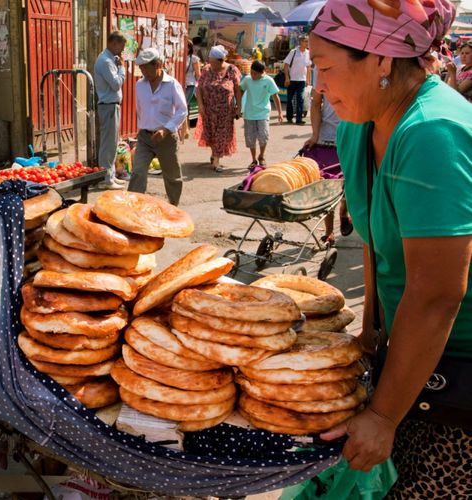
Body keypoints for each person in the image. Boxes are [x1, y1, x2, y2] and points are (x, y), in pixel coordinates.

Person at [310, 0, 472, 496]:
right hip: (407, 359)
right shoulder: (361, 127)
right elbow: (378, 247)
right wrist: (371, 336)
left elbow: (437, 293)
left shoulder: (431, 132)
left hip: (457, 374)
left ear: (381, 60)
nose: (318, 86)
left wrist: (383, 414)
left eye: (326, 68)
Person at [128, 48, 187, 206]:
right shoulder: (140, 85)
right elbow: (140, 109)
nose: (143, 72)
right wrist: (145, 127)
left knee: (172, 176)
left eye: (146, 68)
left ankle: (174, 207)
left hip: (166, 137)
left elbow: (182, 110)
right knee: (138, 173)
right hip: (145, 137)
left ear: (158, 65)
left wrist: (166, 129)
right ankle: (134, 207)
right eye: (141, 68)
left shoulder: (172, 84)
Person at [302, 67, 352, 245]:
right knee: (327, 187)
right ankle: (329, 232)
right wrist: (315, 134)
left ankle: (344, 212)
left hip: (351, 136)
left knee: (349, 186)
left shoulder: (355, 67)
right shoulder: (320, 70)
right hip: (326, 138)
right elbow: (316, 104)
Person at [195, 45, 241, 172]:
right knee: (210, 134)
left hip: (225, 111)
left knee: (221, 134)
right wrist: (200, 105)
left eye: (212, 61)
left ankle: (216, 160)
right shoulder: (206, 69)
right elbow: (199, 88)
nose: (210, 63)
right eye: (210, 61)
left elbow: (238, 89)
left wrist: (239, 107)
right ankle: (214, 153)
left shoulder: (231, 70)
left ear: (220, 60)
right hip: (208, 110)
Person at [94, 31, 128, 189]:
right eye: (122, 46)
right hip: (108, 105)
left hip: (111, 105)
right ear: (114, 43)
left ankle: (111, 176)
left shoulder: (109, 59)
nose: (122, 50)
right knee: (108, 144)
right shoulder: (106, 61)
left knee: (112, 143)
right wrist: (122, 69)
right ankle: (106, 179)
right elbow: (116, 84)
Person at [238, 60, 283, 168]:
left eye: (255, 73)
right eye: (251, 72)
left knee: (264, 136)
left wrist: (280, 113)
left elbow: (275, 96)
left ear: (262, 72)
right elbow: (240, 90)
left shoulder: (268, 81)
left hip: (263, 113)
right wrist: (238, 107)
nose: (252, 75)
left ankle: (261, 156)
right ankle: (253, 160)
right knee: (250, 138)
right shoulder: (247, 80)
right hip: (249, 114)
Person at [283, 36, 311, 124]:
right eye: (305, 41)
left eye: (308, 41)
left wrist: (308, 80)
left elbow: (309, 67)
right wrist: (287, 78)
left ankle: (299, 119)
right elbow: (286, 65)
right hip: (292, 80)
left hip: (302, 80)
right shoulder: (293, 52)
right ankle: (289, 117)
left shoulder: (308, 53)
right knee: (290, 99)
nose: (307, 43)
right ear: (300, 42)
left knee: (300, 99)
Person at [182, 40, 201, 140]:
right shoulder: (179, 57)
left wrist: (201, 87)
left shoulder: (193, 59)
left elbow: (198, 74)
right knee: (181, 106)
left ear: (189, 48)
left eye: (186, 46)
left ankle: (185, 130)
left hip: (190, 85)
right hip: (180, 84)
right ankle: (185, 129)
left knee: (183, 105)